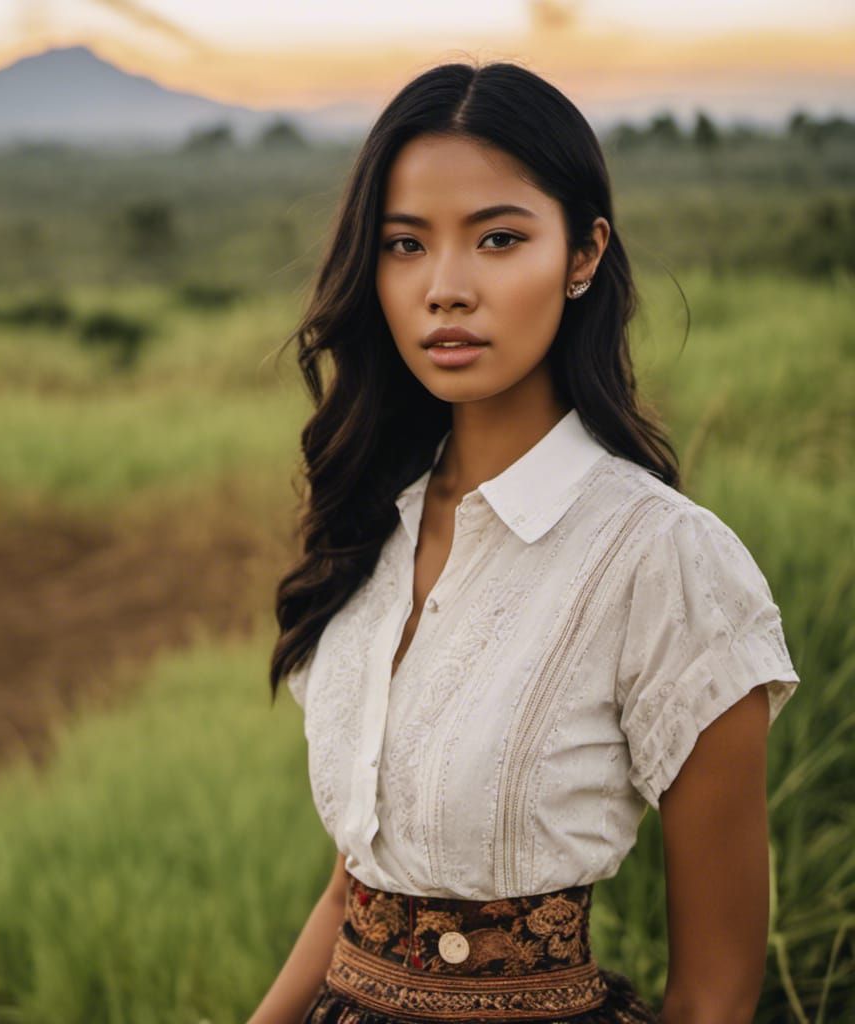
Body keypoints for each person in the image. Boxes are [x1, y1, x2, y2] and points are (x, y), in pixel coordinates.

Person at [249, 60, 801, 1024]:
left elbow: (716, 991)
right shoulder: (380, 528)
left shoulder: (664, 561)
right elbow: (352, 896)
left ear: (584, 254)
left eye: (498, 239)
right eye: (405, 245)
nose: (446, 289)